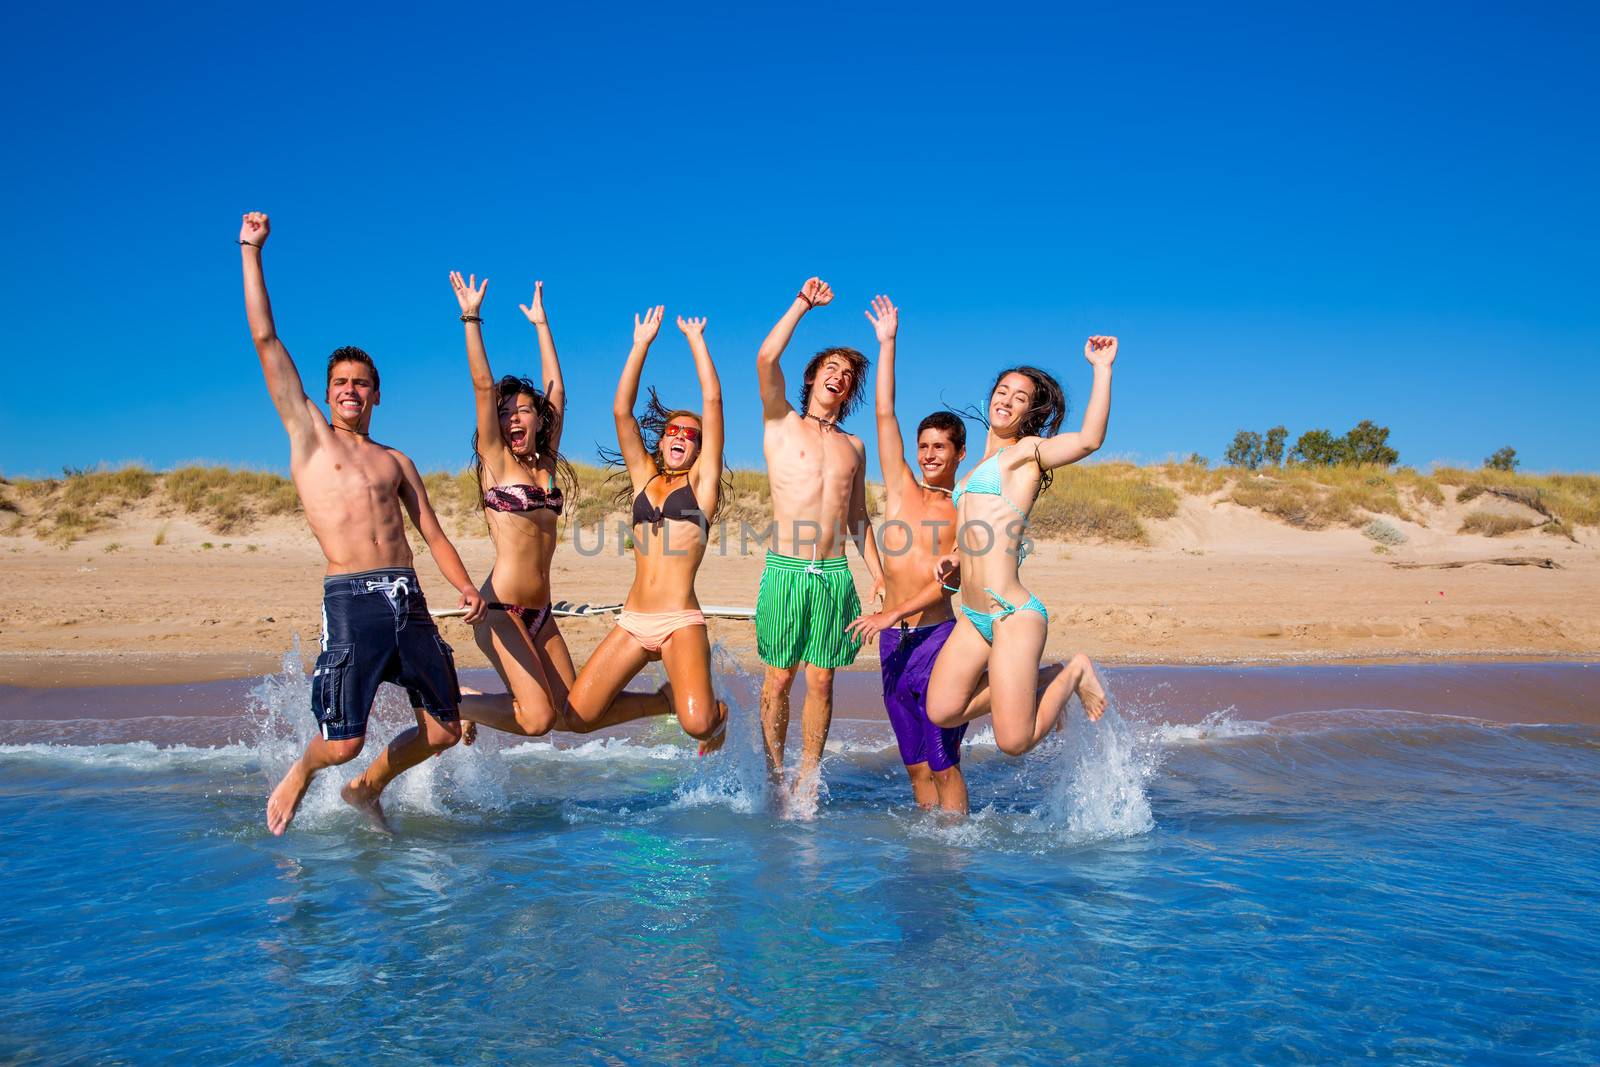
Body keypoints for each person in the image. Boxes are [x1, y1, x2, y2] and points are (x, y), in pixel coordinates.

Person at [241, 213, 487, 836]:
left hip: (408, 600)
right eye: (341, 383)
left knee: (444, 728)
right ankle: (304, 770)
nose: (351, 390)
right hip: (351, 600)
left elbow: (431, 532)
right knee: (342, 741)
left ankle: (368, 789)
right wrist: (252, 250)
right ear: (325, 394)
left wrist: (464, 588)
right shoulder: (310, 438)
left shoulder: (396, 460)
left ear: (377, 394)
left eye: (361, 383)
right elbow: (268, 342)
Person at [925, 339, 1121, 756]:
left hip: (1010, 614)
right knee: (942, 709)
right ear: (989, 398)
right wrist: (957, 558)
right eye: (1002, 392)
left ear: (1029, 414)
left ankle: (1073, 673)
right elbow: (986, 528)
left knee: (1014, 741)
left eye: (1020, 398)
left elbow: (1088, 441)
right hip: (973, 614)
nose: (1007, 401)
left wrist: (1101, 369)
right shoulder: (976, 466)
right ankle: (1042, 679)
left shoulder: (1025, 454)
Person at [558, 306, 728, 752]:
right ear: (661, 438)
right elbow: (622, 411)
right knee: (578, 716)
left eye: (691, 435)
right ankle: (663, 701)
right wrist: (640, 345)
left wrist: (695, 341)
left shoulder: (702, 486)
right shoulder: (644, 479)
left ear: (701, 447)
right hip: (633, 620)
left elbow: (713, 402)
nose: (680, 436)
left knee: (698, 726)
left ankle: (716, 713)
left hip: (679, 621)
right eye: (673, 430)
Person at [754, 277, 885, 803]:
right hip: (787, 571)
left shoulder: (854, 447)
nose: (840, 377)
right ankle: (772, 778)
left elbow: (859, 518)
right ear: (812, 379)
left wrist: (878, 573)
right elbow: (766, 358)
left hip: (833, 574)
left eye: (848, 375)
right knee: (779, 679)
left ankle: (807, 779)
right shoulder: (780, 420)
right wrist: (802, 305)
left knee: (824, 681)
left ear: (851, 392)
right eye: (831, 369)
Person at [844, 295, 971, 814]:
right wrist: (888, 343)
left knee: (944, 761)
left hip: (938, 638)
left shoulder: (967, 508)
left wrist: (892, 610)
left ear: (959, 453)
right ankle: (932, 857)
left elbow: (953, 581)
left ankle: (958, 850)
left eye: (940, 447)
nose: (929, 454)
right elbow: (883, 411)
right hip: (892, 642)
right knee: (915, 764)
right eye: (924, 446)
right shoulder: (900, 490)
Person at [444, 272, 579, 742]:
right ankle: (455, 702)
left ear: (537, 419)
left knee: (571, 712)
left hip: (541, 611)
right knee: (538, 719)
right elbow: (483, 386)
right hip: (499, 608)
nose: (512, 418)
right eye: (505, 413)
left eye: (522, 410)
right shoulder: (496, 460)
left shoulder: (546, 464)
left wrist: (542, 323)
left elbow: (557, 391)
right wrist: (471, 317)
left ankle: (467, 706)